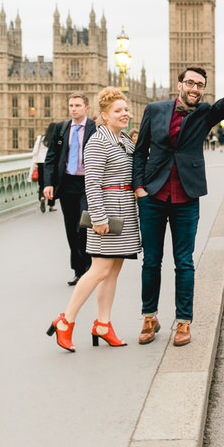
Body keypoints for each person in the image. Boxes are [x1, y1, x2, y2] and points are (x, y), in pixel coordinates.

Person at [133, 37, 224, 347]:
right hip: (153, 196)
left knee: (184, 262)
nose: (195, 89)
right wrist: (138, 187)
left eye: (200, 86)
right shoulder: (154, 110)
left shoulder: (205, 113)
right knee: (151, 261)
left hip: (186, 196)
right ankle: (149, 317)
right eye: (190, 83)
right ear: (180, 84)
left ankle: (183, 322)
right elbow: (140, 151)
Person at [47, 88, 141, 352]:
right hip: (107, 211)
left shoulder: (124, 140)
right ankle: (66, 321)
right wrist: (98, 218)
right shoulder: (99, 142)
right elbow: (92, 182)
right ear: (103, 115)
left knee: (112, 271)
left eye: (126, 109)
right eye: (118, 111)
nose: (125, 114)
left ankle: (103, 324)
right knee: (98, 270)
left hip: (124, 211)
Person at [44, 93, 97, 286]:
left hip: (87, 184)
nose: (73, 109)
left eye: (77, 105)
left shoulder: (95, 128)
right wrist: (48, 184)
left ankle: (89, 268)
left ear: (86, 108)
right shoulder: (61, 128)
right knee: (70, 229)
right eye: (71, 105)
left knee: (83, 226)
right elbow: (51, 157)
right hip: (67, 183)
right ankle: (78, 270)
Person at [31, 122, 57, 213]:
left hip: (41, 163)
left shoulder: (41, 138)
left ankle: (42, 197)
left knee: (42, 184)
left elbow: (34, 152)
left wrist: (35, 162)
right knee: (51, 184)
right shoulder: (56, 139)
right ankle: (51, 205)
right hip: (51, 163)